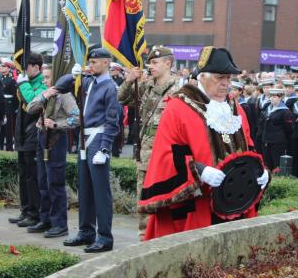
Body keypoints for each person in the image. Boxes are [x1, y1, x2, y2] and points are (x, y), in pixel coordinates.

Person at [138, 47, 269, 240]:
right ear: (202, 77)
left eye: (228, 78)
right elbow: (166, 155)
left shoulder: (235, 108)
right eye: (219, 77)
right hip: (196, 209)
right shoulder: (178, 107)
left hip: (235, 205)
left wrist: (261, 170)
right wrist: (200, 171)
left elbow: (249, 146)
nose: (226, 83)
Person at [117, 46, 180, 240]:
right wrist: (129, 81)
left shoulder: (179, 91)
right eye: (150, 62)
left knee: (162, 204)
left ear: (167, 64)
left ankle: (160, 240)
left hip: (165, 158)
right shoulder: (147, 86)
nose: (150, 66)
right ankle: (143, 240)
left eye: (154, 62)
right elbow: (122, 98)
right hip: (144, 156)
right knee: (143, 203)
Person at [61, 48, 120, 253]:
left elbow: (113, 122)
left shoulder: (110, 87)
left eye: (95, 62)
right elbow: (64, 86)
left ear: (106, 63)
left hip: (97, 139)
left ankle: (104, 236)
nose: (91, 65)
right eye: (90, 62)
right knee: (84, 189)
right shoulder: (88, 82)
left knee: (100, 192)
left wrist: (104, 149)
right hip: (84, 139)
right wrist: (73, 74)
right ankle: (86, 231)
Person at [25, 65, 80, 237]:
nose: (44, 81)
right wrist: (44, 95)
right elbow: (30, 108)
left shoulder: (65, 96)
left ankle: (60, 224)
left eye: (47, 77)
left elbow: (78, 118)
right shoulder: (46, 94)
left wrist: (57, 124)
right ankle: (45, 219)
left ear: (55, 78)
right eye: (44, 78)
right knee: (42, 181)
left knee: (55, 184)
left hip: (56, 139)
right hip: (42, 138)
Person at [9, 53, 47, 227]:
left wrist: (23, 83)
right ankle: (25, 210)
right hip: (23, 135)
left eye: (27, 67)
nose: (24, 71)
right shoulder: (28, 82)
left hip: (33, 135)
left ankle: (35, 212)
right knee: (24, 176)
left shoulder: (41, 84)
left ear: (36, 67)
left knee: (32, 177)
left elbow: (32, 101)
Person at [261, 88, 293, 171]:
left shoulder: (285, 111)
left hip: (278, 142)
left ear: (280, 98)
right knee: (267, 163)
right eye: (271, 96)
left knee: (277, 164)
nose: (272, 98)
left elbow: (288, 129)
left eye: (275, 96)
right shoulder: (267, 108)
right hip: (266, 140)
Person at [0, 60, 18, 151]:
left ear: (8, 68)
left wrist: (14, 108)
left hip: (9, 107)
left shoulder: (11, 80)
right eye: (1, 66)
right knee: (1, 129)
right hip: (1, 107)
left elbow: (15, 96)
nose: (1, 68)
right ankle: (0, 147)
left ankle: (9, 148)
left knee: (8, 129)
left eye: (3, 66)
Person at [254, 78, 274, 153]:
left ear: (272, 88)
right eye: (264, 88)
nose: (266, 90)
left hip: (268, 127)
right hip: (260, 126)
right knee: (258, 145)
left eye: (268, 87)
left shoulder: (274, 99)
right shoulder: (260, 99)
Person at [110, 62, 125, 158]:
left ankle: (116, 149)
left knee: (118, 129)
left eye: (113, 70)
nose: (111, 72)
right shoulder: (108, 80)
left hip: (118, 106)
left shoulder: (121, 81)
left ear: (118, 71)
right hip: (110, 106)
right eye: (110, 70)